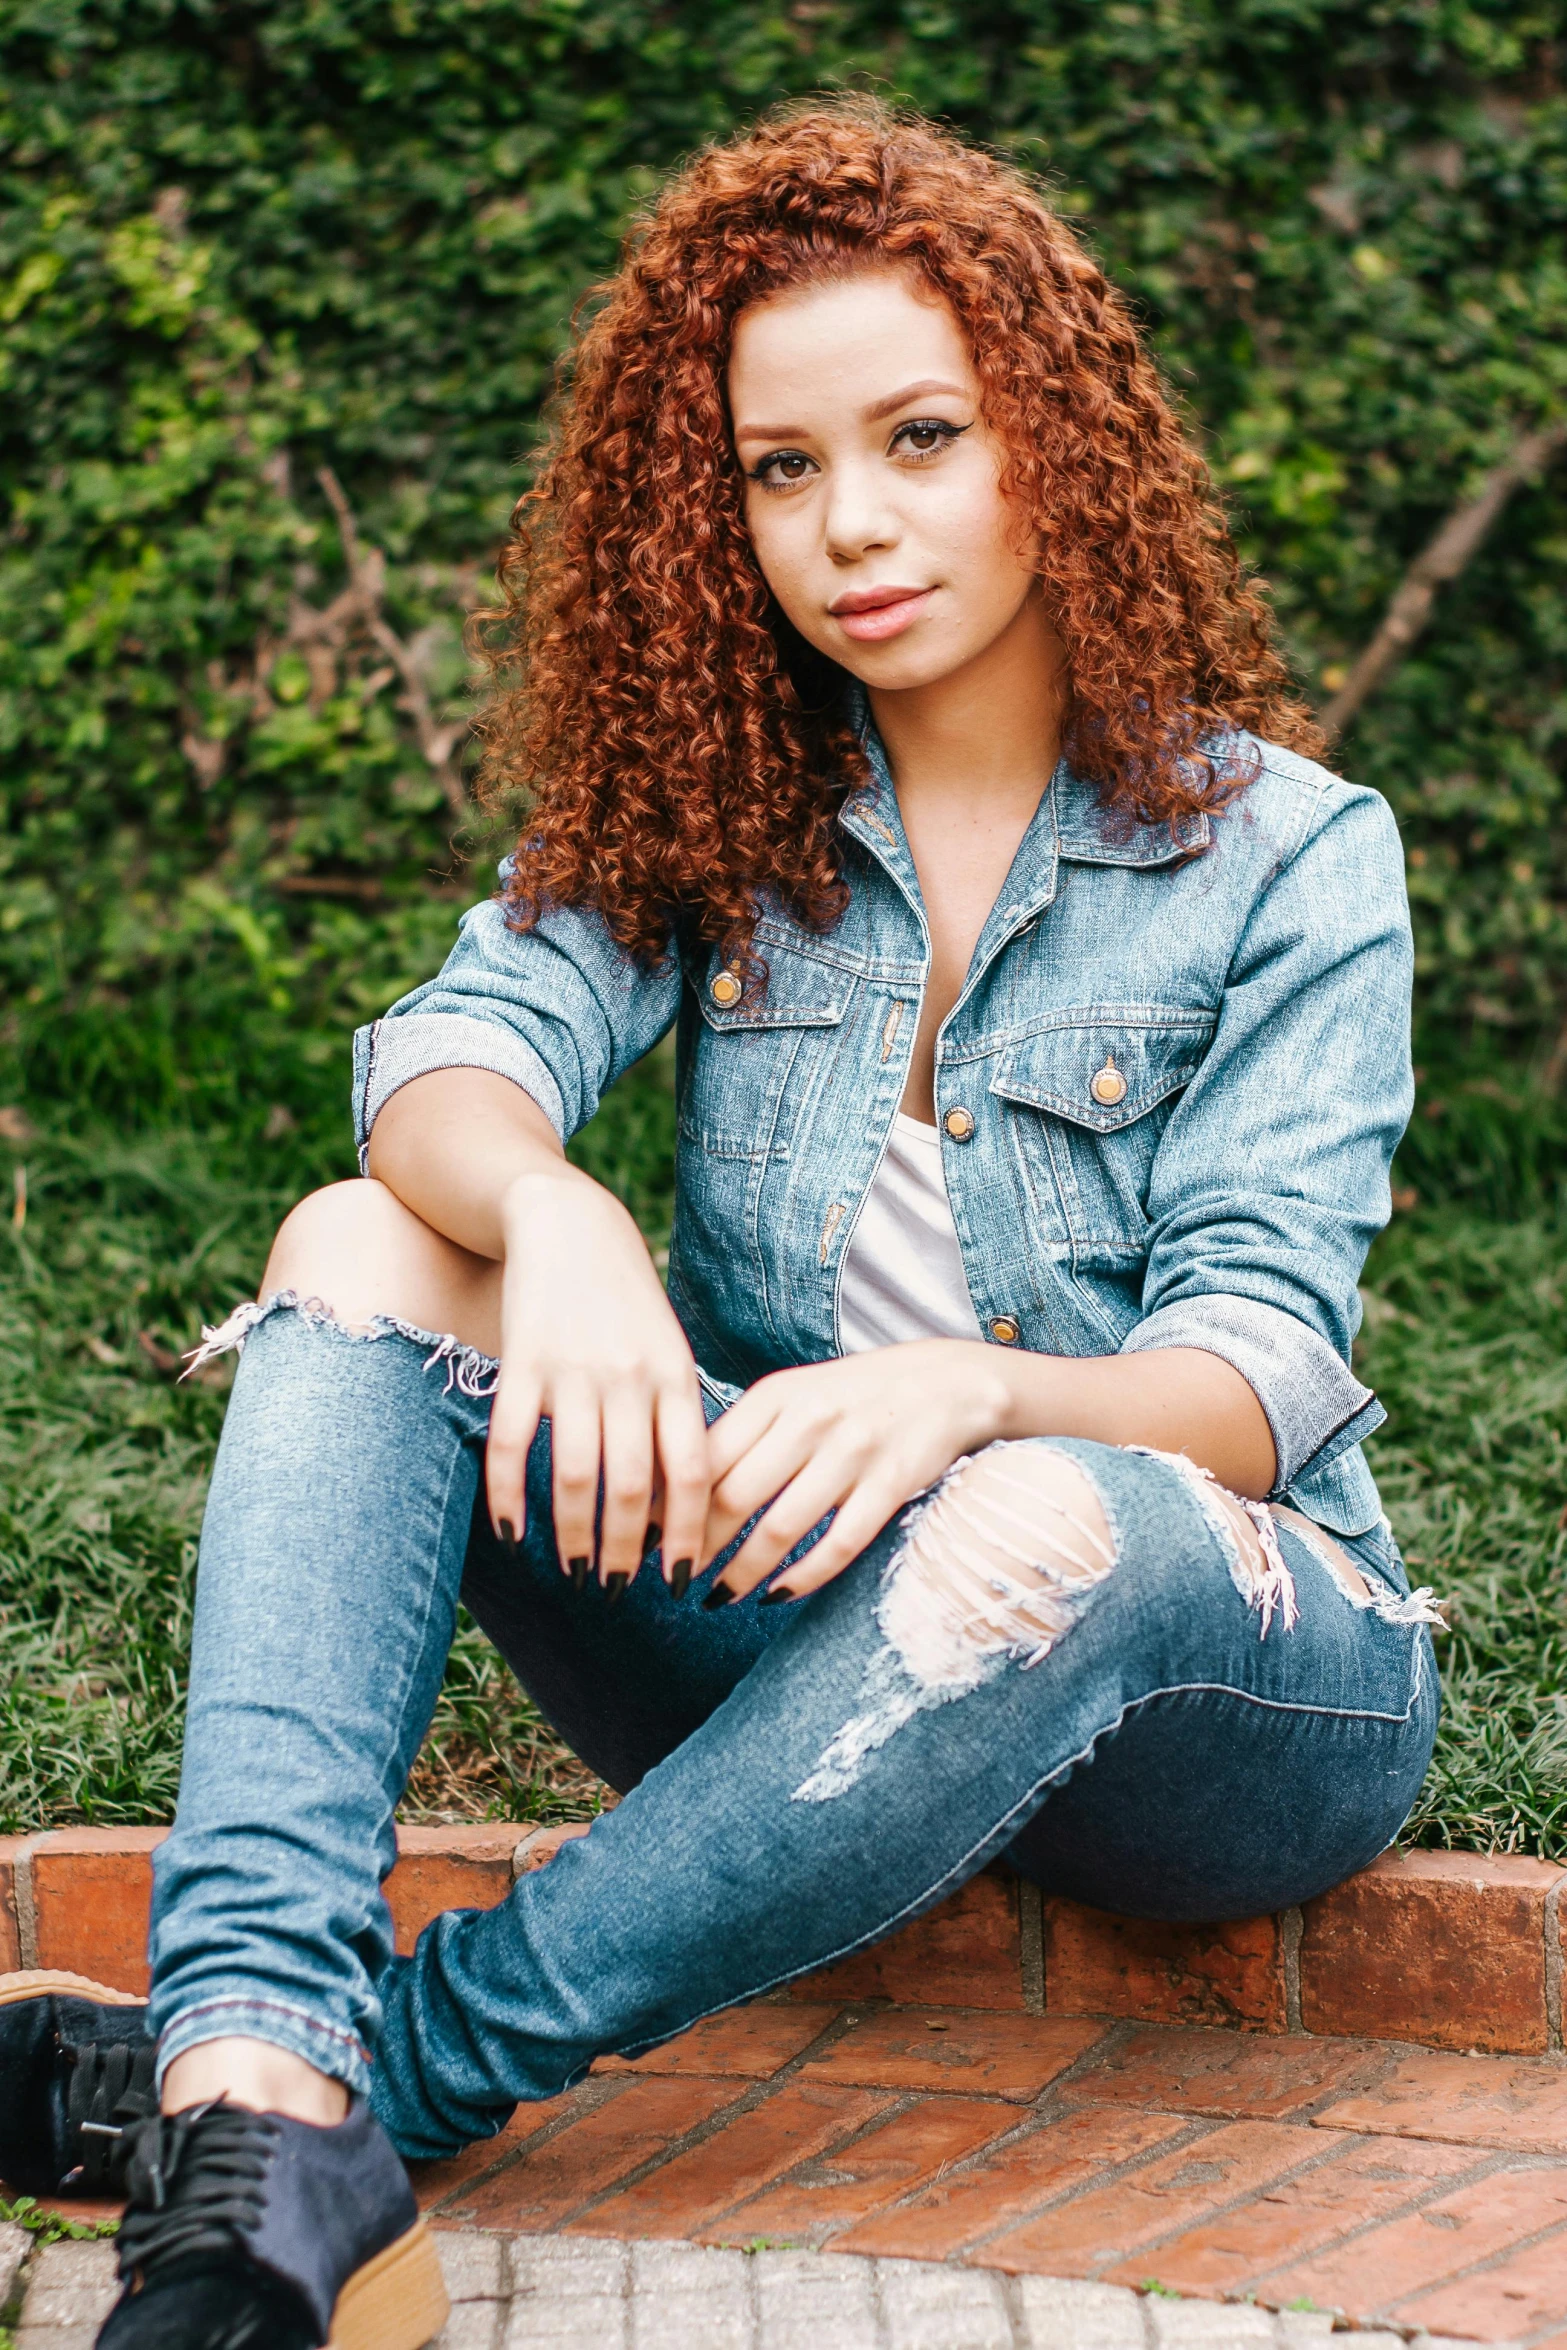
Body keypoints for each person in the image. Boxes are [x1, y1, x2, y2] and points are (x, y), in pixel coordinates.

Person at [0, 98, 1440, 2350]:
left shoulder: (1295, 852)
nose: (849, 521)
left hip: (1228, 1677)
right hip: (807, 1630)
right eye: (782, 466)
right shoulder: (720, 806)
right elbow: (447, 1056)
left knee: (1062, 1505)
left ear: (1048, 439)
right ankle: (252, 2067)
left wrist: (975, 1390)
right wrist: (555, 1207)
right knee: (367, 1238)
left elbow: (1255, 1364)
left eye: (921, 435)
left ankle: (363, 2091)